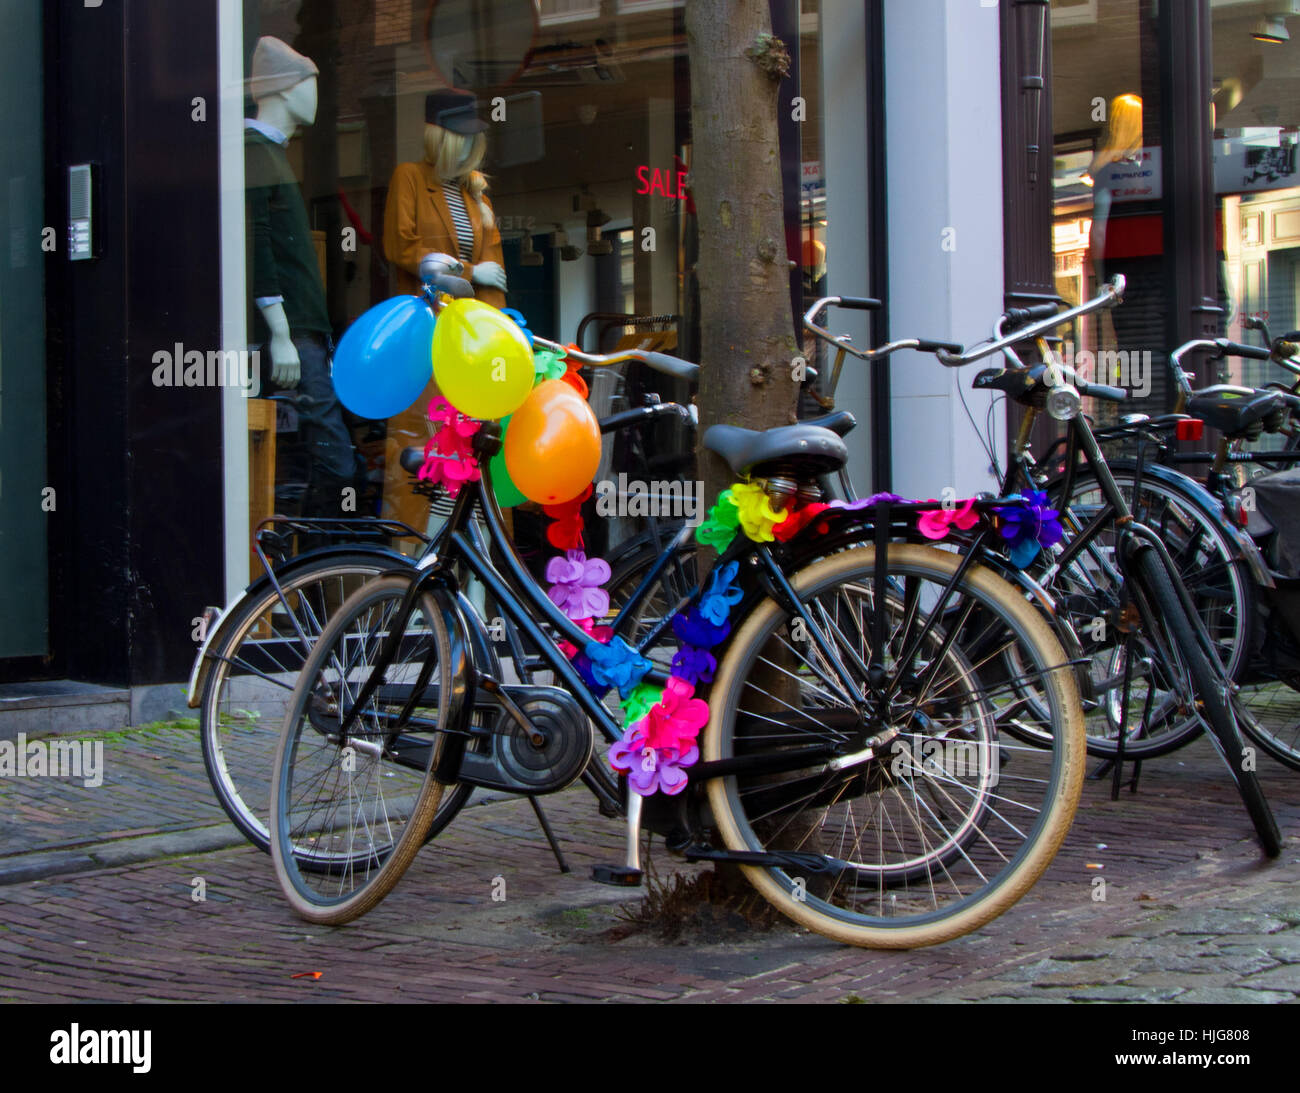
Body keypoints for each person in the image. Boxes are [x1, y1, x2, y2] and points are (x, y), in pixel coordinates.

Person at [381, 88, 507, 532]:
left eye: (475, 139)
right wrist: (473, 271)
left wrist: (499, 348)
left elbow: (497, 284)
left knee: (476, 456)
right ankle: (417, 571)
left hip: (471, 347)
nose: (471, 147)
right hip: (428, 338)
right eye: (463, 137)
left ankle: (477, 576)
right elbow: (402, 246)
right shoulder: (411, 178)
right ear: (442, 137)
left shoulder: (480, 200)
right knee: (429, 448)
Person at [244, 36, 356, 517]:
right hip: (295, 336)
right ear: (286, 89)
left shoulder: (271, 154)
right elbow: (257, 245)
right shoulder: (254, 152)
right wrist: (281, 333)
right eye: (310, 83)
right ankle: (311, 564)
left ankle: (303, 566)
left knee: (310, 457)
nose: (316, 94)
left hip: (305, 334)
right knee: (334, 460)